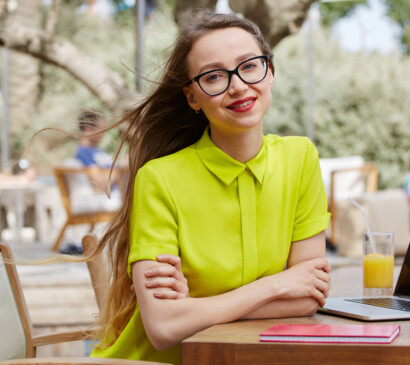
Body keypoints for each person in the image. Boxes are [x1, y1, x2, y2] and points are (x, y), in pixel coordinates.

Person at [89, 11, 331, 364]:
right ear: (192, 97)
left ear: (270, 72)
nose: (237, 86)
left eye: (249, 66)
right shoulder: (160, 179)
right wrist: (276, 286)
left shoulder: (301, 158)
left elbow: (309, 296)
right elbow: (162, 329)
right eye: (214, 76)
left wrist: (196, 310)